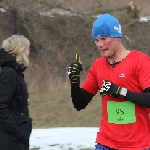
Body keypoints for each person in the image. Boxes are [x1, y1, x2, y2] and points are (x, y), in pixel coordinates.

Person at [67, 13, 150, 150]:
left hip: (138, 145)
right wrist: (74, 81)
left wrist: (120, 92)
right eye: (96, 40)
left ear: (117, 37)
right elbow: (79, 104)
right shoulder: (98, 65)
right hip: (106, 143)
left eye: (104, 39)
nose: (100, 44)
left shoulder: (139, 61)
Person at [0, 35, 32, 150]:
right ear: (20, 50)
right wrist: (16, 131)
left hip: (16, 139)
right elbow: (1, 106)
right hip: (10, 140)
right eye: (27, 48)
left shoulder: (15, 72)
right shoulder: (9, 73)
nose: (29, 52)